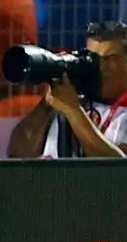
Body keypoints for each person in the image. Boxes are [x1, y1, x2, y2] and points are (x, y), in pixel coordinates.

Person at [8, 21, 127, 159]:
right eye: (93, 58)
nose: (99, 67)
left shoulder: (72, 104)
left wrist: (73, 110)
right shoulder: (72, 97)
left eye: (109, 59)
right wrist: (46, 105)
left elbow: (117, 170)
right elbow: (18, 153)